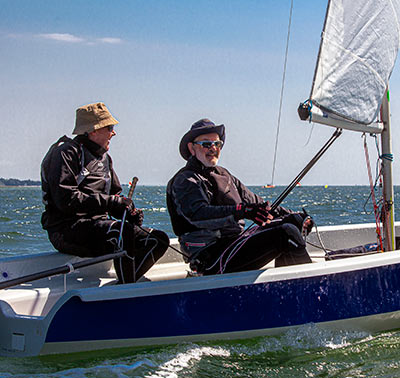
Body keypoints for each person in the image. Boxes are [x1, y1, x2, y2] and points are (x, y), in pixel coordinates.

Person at [41, 102, 169, 283]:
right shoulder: (67, 153)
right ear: (93, 130)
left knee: (159, 239)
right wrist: (112, 203)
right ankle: (125, 292)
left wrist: (127, 212)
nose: (113, 133)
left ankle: (123, 285)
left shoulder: (105, 159)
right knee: (122, 233)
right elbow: (66, 199)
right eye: (110, 127)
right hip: (67, 230)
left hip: (99, 228)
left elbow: (115, 198)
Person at [166, 118, 313, 275]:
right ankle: (313, 288)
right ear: (192, 148)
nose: (213, 148)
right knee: (286, 233)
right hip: (211, 256)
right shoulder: (186, 180)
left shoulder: (224, 174)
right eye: (206, 144)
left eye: (217, 144)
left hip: (235, 242)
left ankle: (285, 287)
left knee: (294, 222)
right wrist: (242, 211)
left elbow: (255, 203)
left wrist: (293, 215)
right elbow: (198, 214)